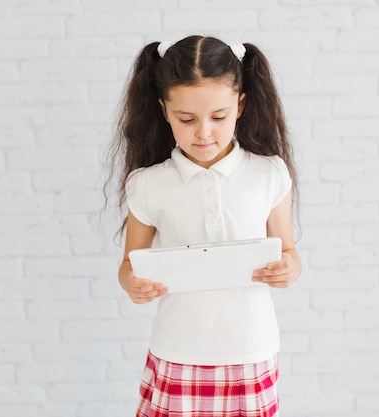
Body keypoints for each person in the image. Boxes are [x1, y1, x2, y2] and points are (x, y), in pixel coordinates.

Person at [104, 35, 301, 417]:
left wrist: (288, 269)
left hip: (250, 347)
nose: (204, 132)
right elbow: (129, 265)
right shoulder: (148, 184)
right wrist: (133, 284)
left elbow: (289, 253)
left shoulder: (268, 174)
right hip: (178, 347)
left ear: (240, 107)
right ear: (164, 111)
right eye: (187, 119)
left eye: (218, 117)